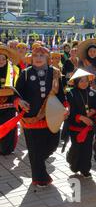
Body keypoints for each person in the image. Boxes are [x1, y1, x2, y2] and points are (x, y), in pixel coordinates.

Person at [14, 45, 68, 187]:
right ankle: (39, 178)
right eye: (35, 55)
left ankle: (38, 161)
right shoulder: (25, 73)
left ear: (47, 58)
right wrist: (20, 101)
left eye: (41, 56)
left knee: (53, 145)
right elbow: (16, 93)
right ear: (31, 58)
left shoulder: (55, 73)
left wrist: (65, 108)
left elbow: (61, 95)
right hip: (30, 118)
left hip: (52, 117)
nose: (38, 58)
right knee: (34, 149)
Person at [66, 69, 96, 178]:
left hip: (89, 127)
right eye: (81, 81)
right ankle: (73, 162)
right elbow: (69, 111)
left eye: (86, 81)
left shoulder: (92, 92)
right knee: (76, 148)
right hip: (75, 127)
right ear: (76, 82)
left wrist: (94, 111)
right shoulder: (71, 93)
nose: (84, 83)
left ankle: (86, 169)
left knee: (87, 150)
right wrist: (80, 117)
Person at [0, 46, 20, 155]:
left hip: (9, 105)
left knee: (9, 127)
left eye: (3, 59)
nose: (1, 61)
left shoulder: (14, 71)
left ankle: (7, 148)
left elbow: (18, 87)